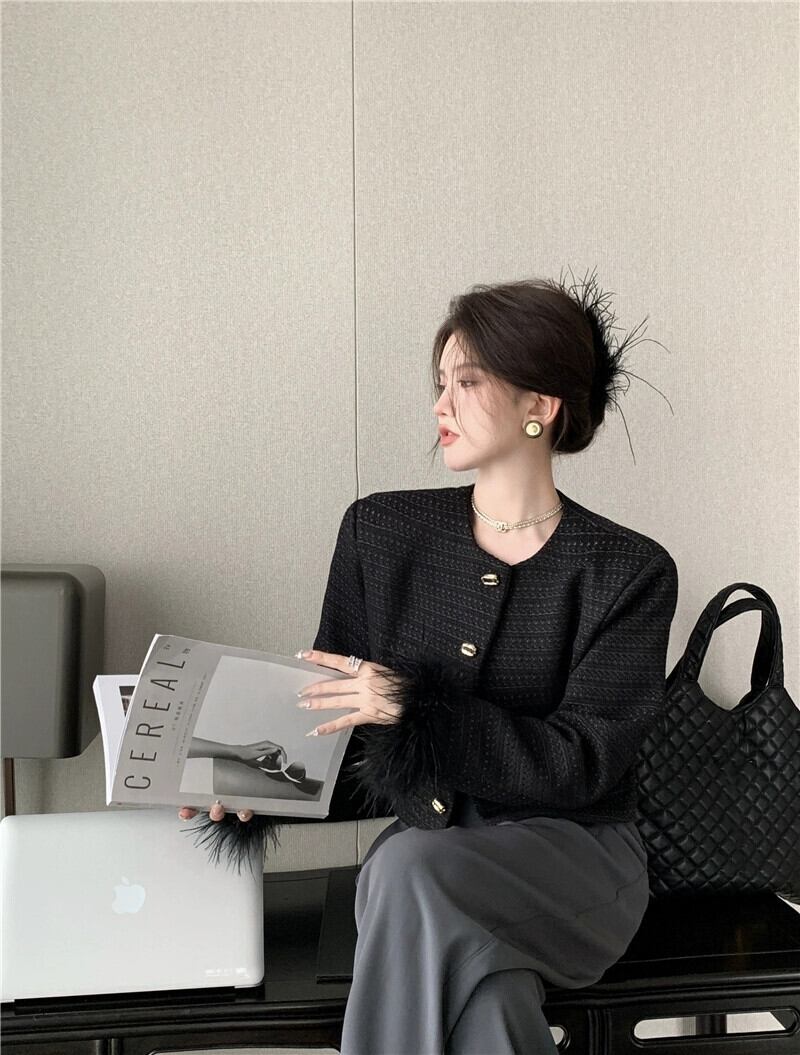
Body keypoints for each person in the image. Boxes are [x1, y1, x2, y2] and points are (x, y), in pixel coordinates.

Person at [179, 267, 679, 1053]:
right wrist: (259, 790)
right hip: (431, 869)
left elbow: (581, 765)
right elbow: (346, 744)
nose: (440, 405)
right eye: (440, 382)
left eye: (467, 382)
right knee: (488, 996)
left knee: (403, 868)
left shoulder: (626, 569)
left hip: (577, 866)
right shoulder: (381, 534)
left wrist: (413, 709)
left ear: (539, 405)